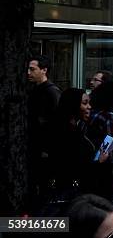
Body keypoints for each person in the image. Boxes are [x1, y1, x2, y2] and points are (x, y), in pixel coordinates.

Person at [47, 88, 97, 204]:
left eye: (89, 103)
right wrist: (97, 161)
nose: (89, 107)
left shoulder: (77, 128)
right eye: (85, 103)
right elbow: (73, 164)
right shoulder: (64, 132)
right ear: (73, 104)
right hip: (69, 195)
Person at [27, 54, 61, 199]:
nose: (28, 73)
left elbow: (57, 123)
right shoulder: (35, 89)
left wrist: (48, 148)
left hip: (46, 150)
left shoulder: (52, 92)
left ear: (44, 70)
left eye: (32, 69)